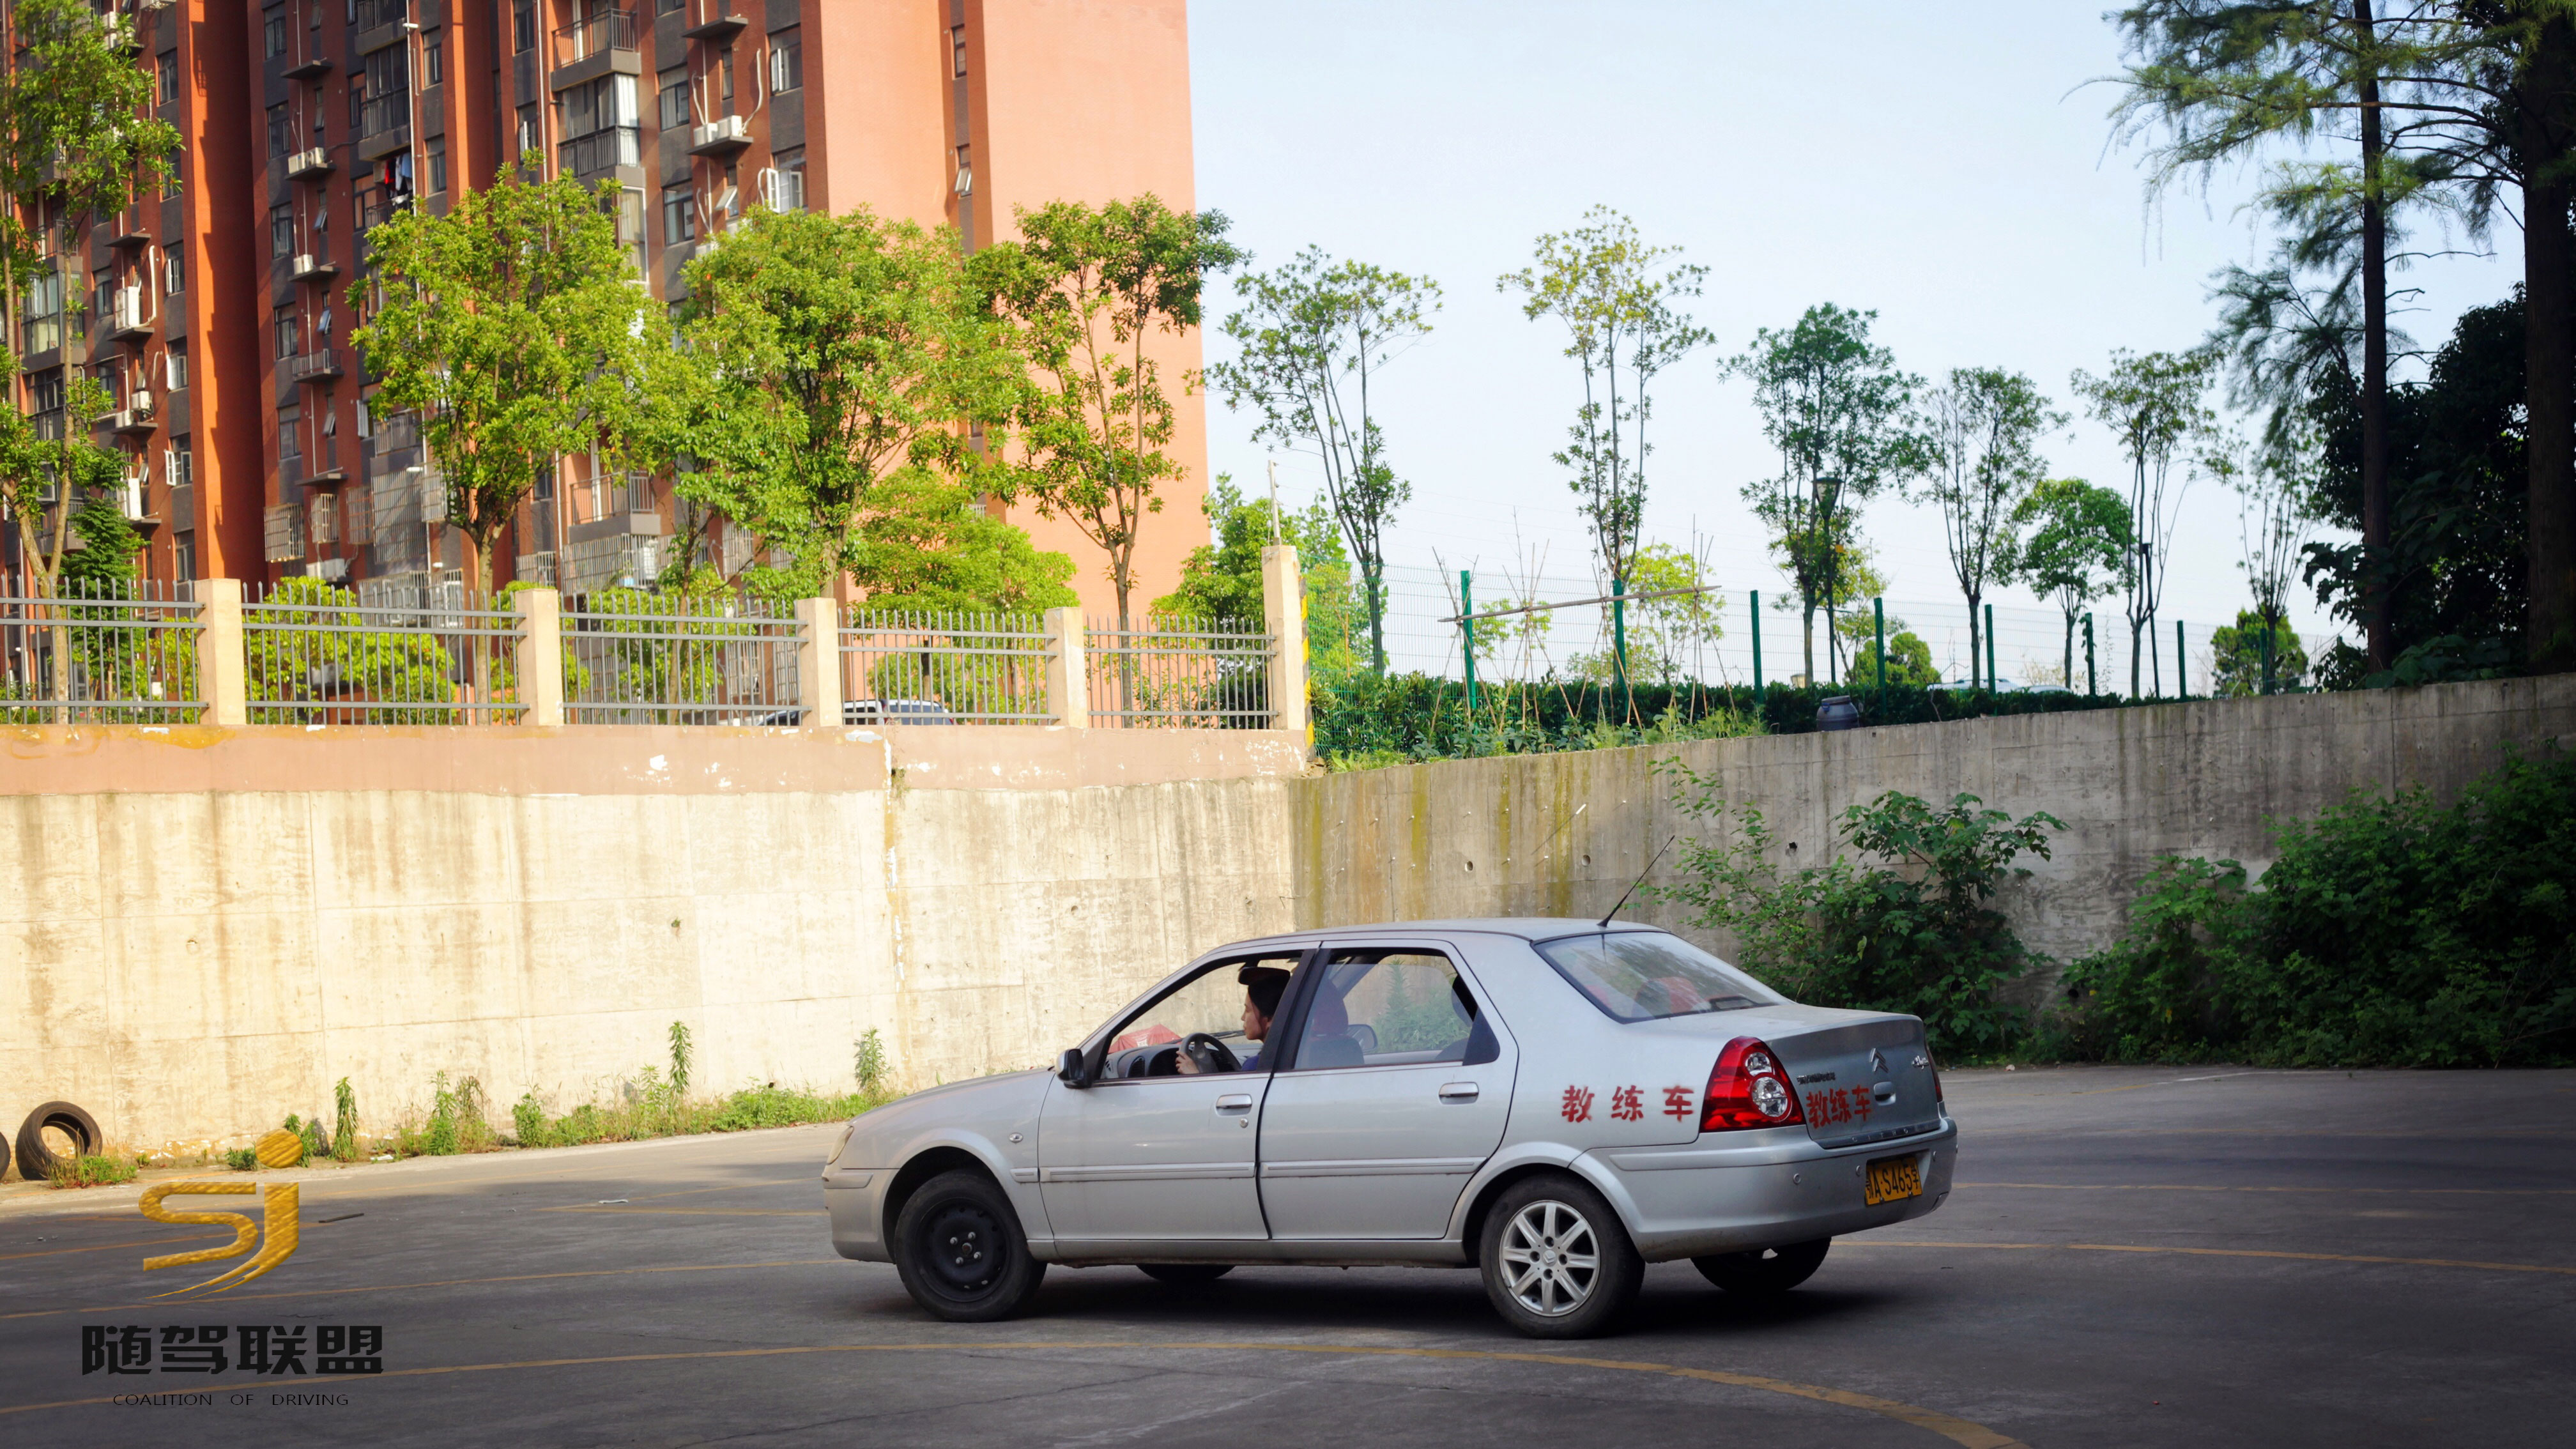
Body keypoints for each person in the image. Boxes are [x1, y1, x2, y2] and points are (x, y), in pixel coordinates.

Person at [1175, 965, 1291, 1074]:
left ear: (1269, 1019)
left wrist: (1195, 1075)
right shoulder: (1288, 1055)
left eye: (1248, 1010)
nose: (1243, 1017)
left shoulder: (1257, 1066)